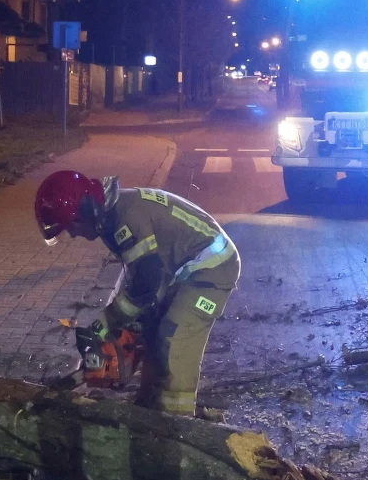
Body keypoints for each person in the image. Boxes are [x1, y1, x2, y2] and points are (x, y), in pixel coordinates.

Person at [34, 170, 240, 416]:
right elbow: (142, 275)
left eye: (72, 225)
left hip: (213, 267)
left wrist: (109, 319)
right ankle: (148, 410)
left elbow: (147, 278)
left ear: (85, 211)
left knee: (173, 338)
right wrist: (128, 324)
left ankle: (178, 424)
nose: (73, 233)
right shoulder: (110, 218)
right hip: (182, 268)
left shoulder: (126, 216)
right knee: (151, 332)